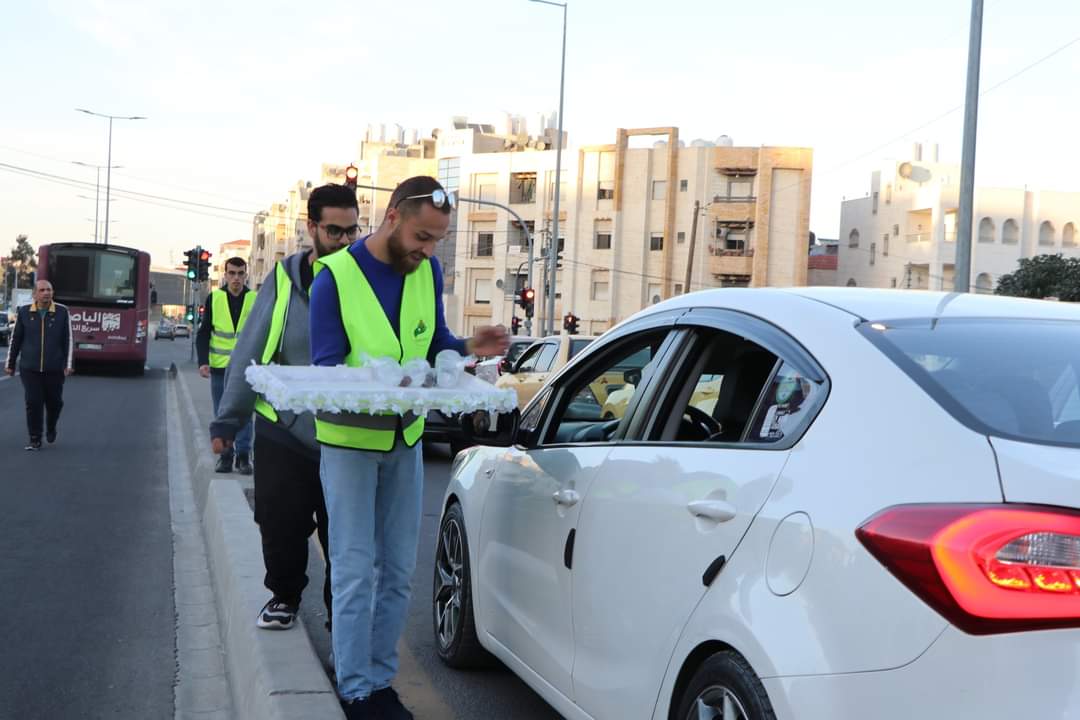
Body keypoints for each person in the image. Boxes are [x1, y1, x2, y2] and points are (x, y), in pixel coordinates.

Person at [310, 176, 509, 720]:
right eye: (422, 237)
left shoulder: (428, 271)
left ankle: (379, 681)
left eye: (436, 242)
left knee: (398, 569)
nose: (427, 251)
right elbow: (328, 369)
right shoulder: (335, 278)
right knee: (353, 568)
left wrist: (469, 346)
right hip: (349, 443)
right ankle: (355, 690)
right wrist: (384, 382)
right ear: (393, 217)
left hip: (406, 440)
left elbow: (433, 341)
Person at [210, 184, 355, 631]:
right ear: (311, 228)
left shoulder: (363, 280)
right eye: (334, 231)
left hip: (344, 429)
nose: (344, 241)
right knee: (279, 519)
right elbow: (251, 345)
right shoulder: (284, 280)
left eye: (353, 231)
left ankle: (340, 616)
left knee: (344, 533)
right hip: (282, 424)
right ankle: (284, 596)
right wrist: (229, 418)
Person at [197, 256, 255, 474]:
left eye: (240, 274)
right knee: (221, 413)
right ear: (225, 274)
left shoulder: (254, 299)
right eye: (232, 273)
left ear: (246, 274)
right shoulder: (215, 298)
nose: (236, 279)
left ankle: (243, 456)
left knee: (244, 413)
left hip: (246, 369)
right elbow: (203, 333)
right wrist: (203, 362)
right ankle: (225, 457)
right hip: (220, 367)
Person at [4, 280, 74, 450]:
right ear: (35, 294)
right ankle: (35, 438)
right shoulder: (25, 312)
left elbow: (68, 340)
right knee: (33, 402)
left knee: (54, 403)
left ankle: (51, 426)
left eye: (49, 290)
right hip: (30, 368)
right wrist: (10, 363)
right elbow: (16, 340)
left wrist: (68, 363)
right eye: (42, 290)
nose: (46, 293)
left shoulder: (62, 312)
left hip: (54, 368)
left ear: (53, 292)